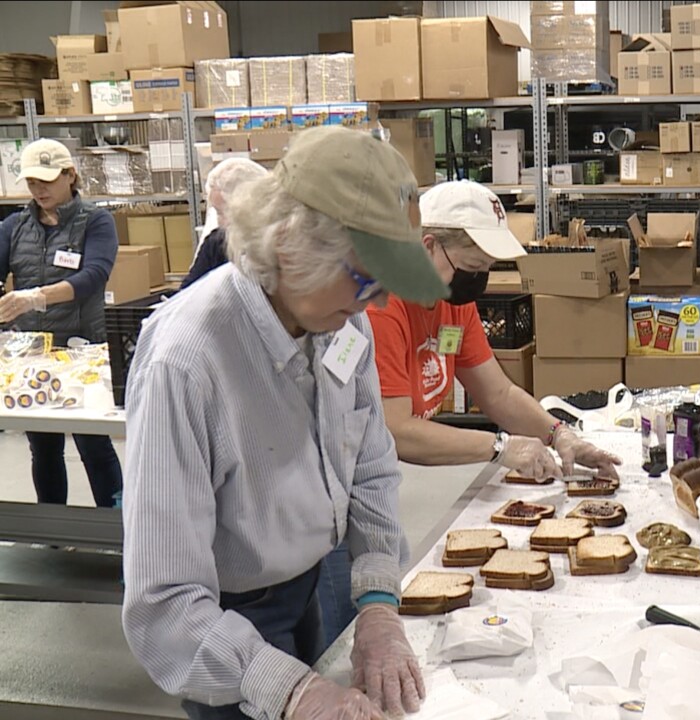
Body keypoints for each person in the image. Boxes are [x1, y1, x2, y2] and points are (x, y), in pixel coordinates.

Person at [122, 126, 445, 720]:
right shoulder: (187, 360)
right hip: (224, 622)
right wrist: (293, 690)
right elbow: (164, 604)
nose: (377, 304)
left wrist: (376, 601)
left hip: (311, 586)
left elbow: (370, 463)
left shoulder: (341, 321)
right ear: (291, 245)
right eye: (365, 277)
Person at [307, 181, 623, 644]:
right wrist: (499, 446)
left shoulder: (454, 303)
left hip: (372, 489)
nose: (480, 279)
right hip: (328, 499)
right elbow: (396, 431)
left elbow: (496, 392)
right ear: (428, 246)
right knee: (345, 637)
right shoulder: (382, 307)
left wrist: (561, 435)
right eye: (474, 266)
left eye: (489, 268)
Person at [0, 138, 122, 508]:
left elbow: (94, 275)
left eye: (47, 181)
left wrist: (36, 296)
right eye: (32, 182)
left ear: (70, 175)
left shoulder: (96, 222)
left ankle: (117, 524)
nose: (38, 190)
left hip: (82, 349)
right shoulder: (14, 227)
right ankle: (52, 532)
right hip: (31, 353)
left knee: (93, 444)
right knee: (44, 445)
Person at [181, 158, 268, 289]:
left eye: (229, 212)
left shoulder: (279, 246)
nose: (223, 222)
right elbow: (186, 295)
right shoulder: (216, 245)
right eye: (219, 213)